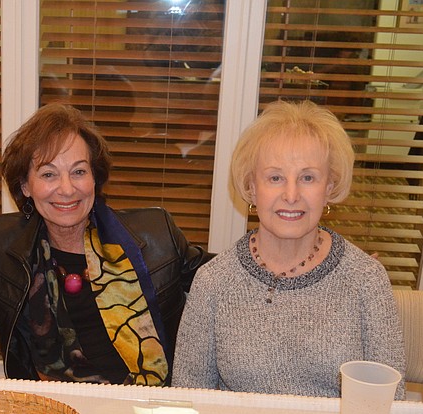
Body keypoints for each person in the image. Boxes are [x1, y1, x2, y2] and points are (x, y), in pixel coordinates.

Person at [173, 100, 405, 398]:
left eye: (308, 178)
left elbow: (392, 404)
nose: (291, 195)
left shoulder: (365, 280)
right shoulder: (214, 282)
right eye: (275, 178)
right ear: (252, 188)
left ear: (329, 188)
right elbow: (187, 398)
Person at [0, 103, 210, 385]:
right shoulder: (1, 246)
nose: (66, 188)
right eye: (48, 174)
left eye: (78, 172)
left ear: (95, 178)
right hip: (52, 413)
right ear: (26, 186)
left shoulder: (156, 235)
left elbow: (228, 278)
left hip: (149, 408)